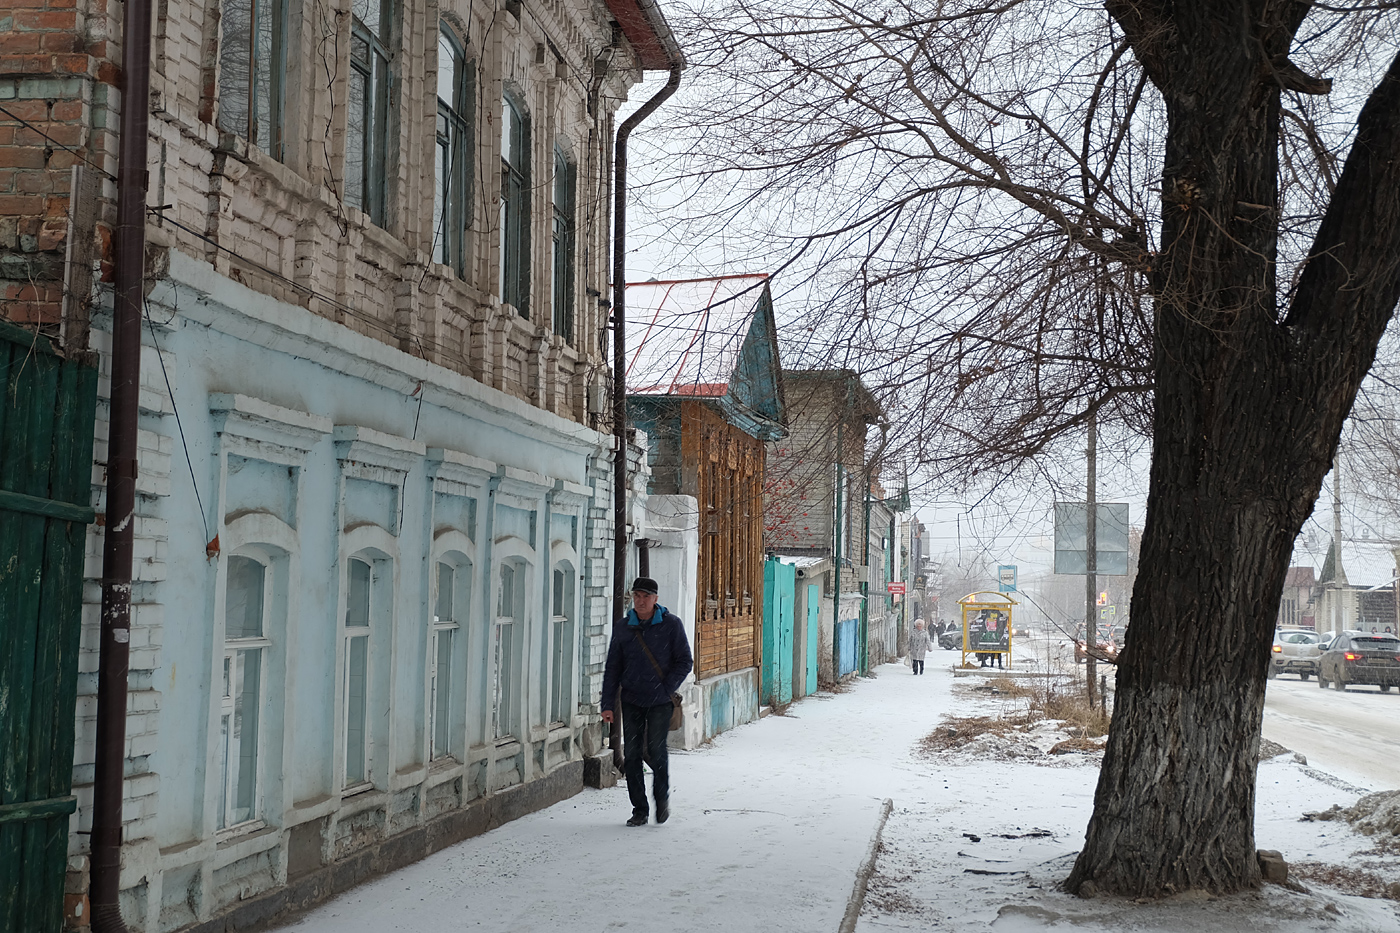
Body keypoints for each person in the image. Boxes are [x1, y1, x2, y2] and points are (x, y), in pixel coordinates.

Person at [600, 577, 693, 827]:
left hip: (660, 701)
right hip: (631, 699)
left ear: (656, 599)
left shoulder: (671, 625)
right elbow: (613, 668)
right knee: (631, 755)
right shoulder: (623, 628)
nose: (640, 601)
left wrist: (665, 688)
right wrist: (607, 703)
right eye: (637, 596)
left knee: (656, 750)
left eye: (646, 597)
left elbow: (685, 661)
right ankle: (639, 809)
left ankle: (660, 798)